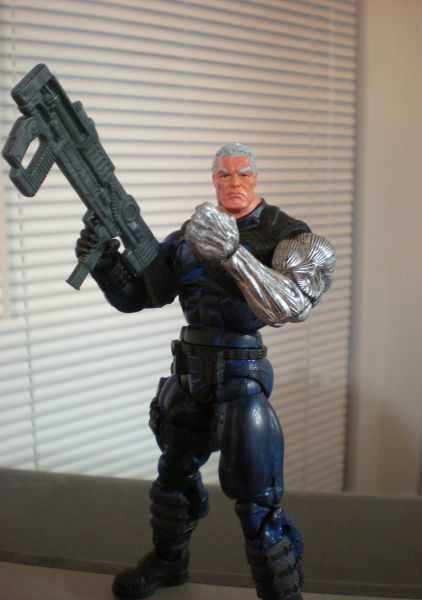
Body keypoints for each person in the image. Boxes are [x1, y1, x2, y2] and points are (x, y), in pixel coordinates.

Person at [76, 143, 335, 600]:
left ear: (255, 178)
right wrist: (104, 262)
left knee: (256, 498)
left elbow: (290, 305)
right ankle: (168, 562)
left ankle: (281, 591)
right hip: (190, 372)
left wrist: (233, 253)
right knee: (173, 477)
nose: (234, 182)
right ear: (214, 179)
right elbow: (142, 295)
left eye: (243, 173)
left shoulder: (287, 233)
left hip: (241, 377)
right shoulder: (188, 235)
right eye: (224, 174)